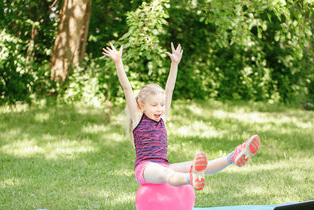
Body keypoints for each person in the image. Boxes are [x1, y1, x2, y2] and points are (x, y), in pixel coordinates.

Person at [102, 42, 260, 191]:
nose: (160, 109)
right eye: (154, 105)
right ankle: (189, 179)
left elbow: (169, 89)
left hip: (163, 165)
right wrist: (118, 62)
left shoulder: (162, 119)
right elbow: (127, 88)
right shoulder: (138, 119)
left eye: (162, 105)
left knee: (198, 165)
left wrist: (174, 64)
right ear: (142, 106)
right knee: (167, 175)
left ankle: (234, 156)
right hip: (145, 169)